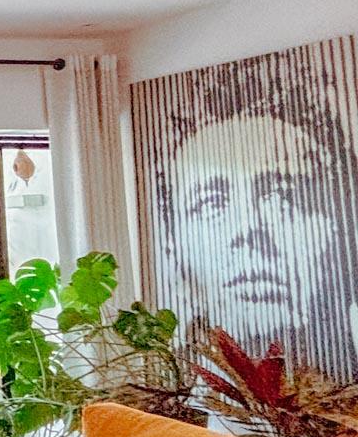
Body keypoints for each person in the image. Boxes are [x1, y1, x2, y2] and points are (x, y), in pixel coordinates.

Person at [153, 55, 358, 381]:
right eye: (211, 203)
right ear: (172, 248)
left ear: (344, 229)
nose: (246, 230)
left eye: (282, 195)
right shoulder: (174, 394)